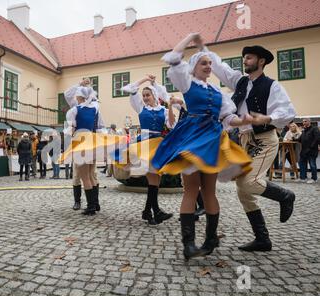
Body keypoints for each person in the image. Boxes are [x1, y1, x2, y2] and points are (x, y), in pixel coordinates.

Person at [152, 33, 253, 260]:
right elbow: (174, 59)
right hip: (191, 136)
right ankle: (188, 243)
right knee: (191, 189)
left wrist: (244, 120)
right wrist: (190, 38)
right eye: (203, 63)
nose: (208, 66)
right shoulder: (187, 82)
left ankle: (210, 239)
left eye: (210, 63)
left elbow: (228, 118)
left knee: (209, 190)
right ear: (193, 67)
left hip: (212, 140)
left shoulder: (218, 92)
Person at [202, 36, 297, 252]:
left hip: (264, 140)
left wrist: (268, 118)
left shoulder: (272, 85)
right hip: (244, 140)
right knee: (243, 191)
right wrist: (203, 50)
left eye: (250, 57)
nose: (245, 60)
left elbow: (288, 111)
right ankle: (263, 239)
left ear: (261, 61)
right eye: (244, 57)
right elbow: (221, 68)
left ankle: (286, 195)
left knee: (249, 183)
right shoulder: (241, 82)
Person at [118, 75, 175, 225]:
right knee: (154, 177)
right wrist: (144, 79)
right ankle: (154, 211)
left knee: (156, 179)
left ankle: (148, 212)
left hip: (157, 144)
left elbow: (171, 125)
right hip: (144, 144)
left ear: (154, 95)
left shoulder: (163, 110)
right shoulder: (140, 107)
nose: (145, 97)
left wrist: (169, 107)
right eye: (143, 95)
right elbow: (131, 88)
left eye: (148, 95)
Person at [62, 79, 123, 215]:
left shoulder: (74, 110)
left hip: (80, 142)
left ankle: (90, 207)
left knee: (84, 176)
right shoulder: (95, 110)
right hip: (92, 142)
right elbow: (100, 127)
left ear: (79, 97)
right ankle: (95, 204)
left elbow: (70, 129)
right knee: (90, 174)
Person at [297, 118, 319, 183]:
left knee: (312, 164)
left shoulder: (314, 128)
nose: (304, 123)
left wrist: (311, 147)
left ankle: (314, 178)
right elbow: (299, 139)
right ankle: (303, 178)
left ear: (309, 122)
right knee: (302, 164)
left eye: (305, 121)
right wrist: (293, 138)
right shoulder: (304, 130)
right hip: (304, 151)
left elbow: (317, 138)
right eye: (303, 121)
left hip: (312, 150)